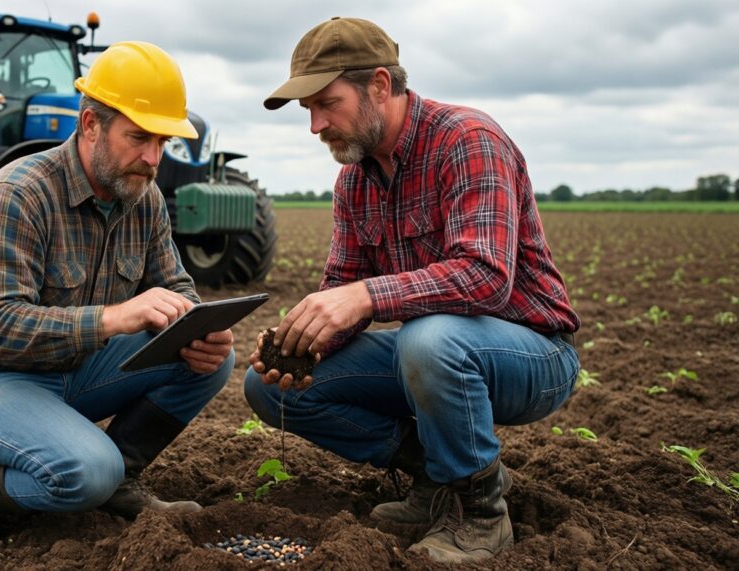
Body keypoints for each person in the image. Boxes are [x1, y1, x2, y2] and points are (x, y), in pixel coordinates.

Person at [245, 17, 580, 563]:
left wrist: (368, 296)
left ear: (380, 85)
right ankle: (438, 478)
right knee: (272, 389)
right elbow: (341, 290)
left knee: (430, 339)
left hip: (533, 355)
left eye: (326, 103)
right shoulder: (354, 181)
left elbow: (486, 278)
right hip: (435, 352)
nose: (315, 125)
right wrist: (302, 342)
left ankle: (481, 514)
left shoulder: (468, 141)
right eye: (308, 110)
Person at [0, 41, 235, 548]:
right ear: (90, 125)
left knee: (208, 357)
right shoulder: (17, 195)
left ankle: (120, 480)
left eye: (162, 142)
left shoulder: (142, 196)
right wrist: (112, 318)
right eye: (139, 138)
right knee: (86, 471)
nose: (153, 158)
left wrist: (198, 326)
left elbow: (176, 286)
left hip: (68, 368)